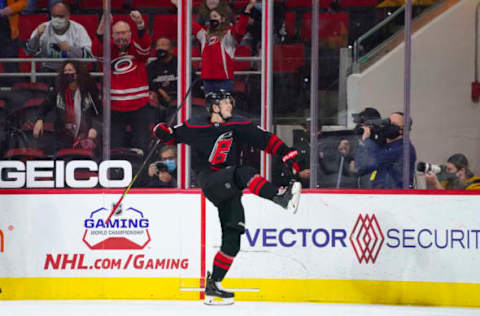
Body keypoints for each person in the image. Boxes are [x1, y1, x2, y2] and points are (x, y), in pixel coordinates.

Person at [152, 90, 302, 305]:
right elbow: (172, 135)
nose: (230, 106)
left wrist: (287, 153)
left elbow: (266, 140)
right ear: (214, 107)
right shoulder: (195, 125)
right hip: (211, 181)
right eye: (225, 103)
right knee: (243, 172)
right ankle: (280, 198)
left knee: (233, 238)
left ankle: (214, 287)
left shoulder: (239, 124)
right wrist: (161, 131)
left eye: (230, 102)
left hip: (229, 187)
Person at [92, 11, 152, 153]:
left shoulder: (136, 49)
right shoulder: (109, 50)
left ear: (130, 34)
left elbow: (145, 47)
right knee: (115, 146)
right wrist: (102, 26)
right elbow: (96, 51)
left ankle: (141, 173)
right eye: (117, 33)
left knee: (141, 145)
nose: (121, 36)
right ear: (112, 35)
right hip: (114, 107)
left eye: (124, 33)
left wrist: (140, 24)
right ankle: (116, 173)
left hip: (139, 105)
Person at [171, 0, 254, 94]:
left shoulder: (229, 35)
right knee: (211, 108)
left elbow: (240, 29)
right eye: (210, 17)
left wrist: (247, 10)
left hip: (224, 80)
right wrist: (180, 8)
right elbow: (190, 23)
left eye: (215, 16)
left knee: (223, 108)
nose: (212, 19)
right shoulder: (204, 34)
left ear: (222, 19)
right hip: (207, 80)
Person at [33, 60, 101, 154]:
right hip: (63, 134)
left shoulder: (87, 90)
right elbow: (45, 106)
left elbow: (98, 111)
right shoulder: (59, 90)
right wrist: (39, 119)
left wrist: (94, 128)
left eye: (70, 70)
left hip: (84, 134)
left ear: (78, 73)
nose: (67, 73)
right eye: (65, 71)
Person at [25, 2, 92, 85]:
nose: (57, 19)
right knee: (42, 75)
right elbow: (29, 51)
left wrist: (71, 49)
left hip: (71, 69)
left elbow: (89, 55)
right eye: (54, 16)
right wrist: (37, 37)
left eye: (61, 16)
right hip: (48, 69)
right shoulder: (42, 28)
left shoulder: (78, 29)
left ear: (68, 15)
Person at [353, 112, 417, 189]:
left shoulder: (405, 149)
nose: (387, 126)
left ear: (402, 130)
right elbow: (361, 167)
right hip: (379, 195)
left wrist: (367, 140)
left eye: (392, 124)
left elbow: (376, 159)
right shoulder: (382, 147)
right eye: (387, 123)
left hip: (396, 196)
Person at [0, 0, 27, 86]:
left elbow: (23, 2)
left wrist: (10, 9)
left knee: (11, 66)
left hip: (7, 30)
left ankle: (17, 94)